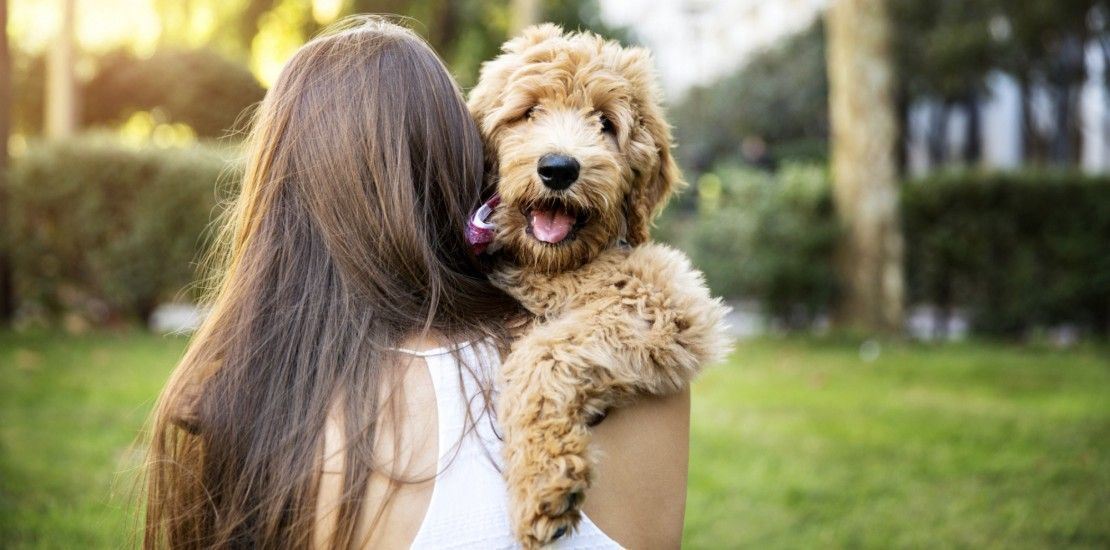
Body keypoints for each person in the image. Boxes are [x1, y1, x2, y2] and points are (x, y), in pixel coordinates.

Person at [143, 18, 690, 549]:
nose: (561, 146)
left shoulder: (240, 403)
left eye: (605, 123)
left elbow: (668, 318)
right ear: (466, 158)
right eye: (526, 113)